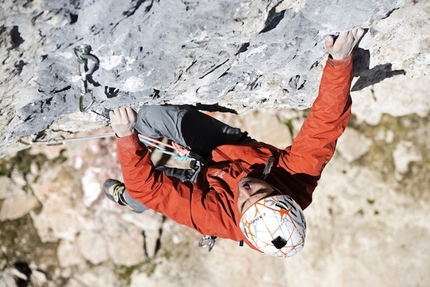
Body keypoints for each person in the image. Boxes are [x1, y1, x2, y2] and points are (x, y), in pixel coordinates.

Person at [104, 28, 364, 257]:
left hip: (203, 186)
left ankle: (128, 201)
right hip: (231, 149)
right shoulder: (297, 175)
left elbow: (148, 188)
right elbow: (325, 126)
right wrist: (340, 62)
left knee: (144, 191)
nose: (245, 190)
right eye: (260, 193)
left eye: (243, 203)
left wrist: (126, 138)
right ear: (282, 194)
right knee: (149, 114)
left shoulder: (215, 218)